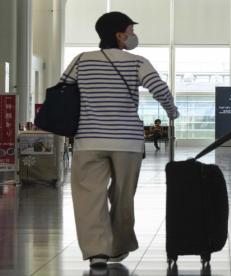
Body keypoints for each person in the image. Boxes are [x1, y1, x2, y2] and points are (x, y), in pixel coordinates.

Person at [62, 11, 179, 268]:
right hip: (127, 141)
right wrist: (172, 112)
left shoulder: (81, 60)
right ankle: (117, 247)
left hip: (89, 140)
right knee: (123, 196)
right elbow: (159, 88)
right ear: (119, 35)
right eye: (130, 30)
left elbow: (63, 89)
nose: (133, 35)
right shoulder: (137, 62)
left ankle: (97, 252)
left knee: (89, 197)